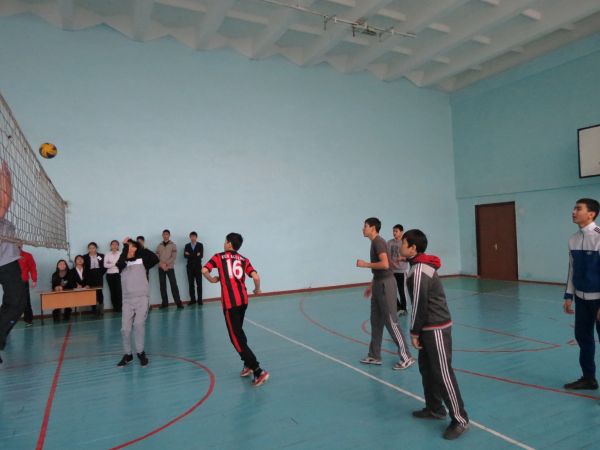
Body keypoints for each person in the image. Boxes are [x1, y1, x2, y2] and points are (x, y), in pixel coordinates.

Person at [400, 229, 469, 440]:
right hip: (427, 327)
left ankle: (460, 419)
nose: (400, 246)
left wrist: (414, 332)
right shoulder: (416, 266)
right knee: (427, 369)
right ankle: (435, 408)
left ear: (413, 248)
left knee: (442, 373)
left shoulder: (420, 270)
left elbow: (419, 305)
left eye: (403, 243)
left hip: (435, 327)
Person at [202, 233, 269, 387]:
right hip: (243, 301)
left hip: (230, 304)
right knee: (239, 332)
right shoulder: (244, 260)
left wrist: (212, 280)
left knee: (236, 339)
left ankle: (258, 370)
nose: (224, 243)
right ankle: (247, 364)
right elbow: (256, 277)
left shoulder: (219, 257)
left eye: (225, 241)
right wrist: (257, 290)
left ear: (229, 244)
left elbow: (204, 270)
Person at [356, 217, 414, 370]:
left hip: (386, 285)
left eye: (365, 226)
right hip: (378, 283)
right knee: (376, 321)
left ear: (372, 228)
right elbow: (381, 269)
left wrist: (364, 264)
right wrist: (371, 286)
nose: (363, 229)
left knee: (391, 321)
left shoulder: (379, 242)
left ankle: (407, 357)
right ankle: (374, 355)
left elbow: (385, 264)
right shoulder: (375, 242)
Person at [563, 198, 600, 390]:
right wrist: (569, 295)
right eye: (574, 208)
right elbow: (572, 269)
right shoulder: (573, 239)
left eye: (578, 208)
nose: (573, 212)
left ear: (591, 214)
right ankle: (588, 378)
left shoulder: (599, 237)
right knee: (583, 338)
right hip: (581, 300)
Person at [115, 238, 157, 368]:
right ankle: (128, 355)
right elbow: (120, 263)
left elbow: (155, 258)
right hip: (127, 300)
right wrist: (125, 247)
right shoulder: (122, 263)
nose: (131, 248)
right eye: (129, 246)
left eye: (134, 246)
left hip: (142, 298)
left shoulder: (142, 260)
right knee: (125, 329)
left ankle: (140, 352)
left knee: (138, 325)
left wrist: (141, 247)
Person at [0, 160, 26, 362]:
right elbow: (5, 199)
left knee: (13, 304)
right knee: (16, 304)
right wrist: (5, 173)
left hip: (7, 262)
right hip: (4, 264)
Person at [156, 229, 183, 309]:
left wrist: (166, 264)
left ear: (169, 235)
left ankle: (178, 303)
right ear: (162, 235)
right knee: (162, 285)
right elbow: (156, 257)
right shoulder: (159, 245)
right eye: (164, 234)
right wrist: (161, 264)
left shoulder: (173, 245)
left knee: (173, 284)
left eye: (167, 234)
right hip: (161, 267)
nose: (165, 236)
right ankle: (165, 303)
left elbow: (173, 257)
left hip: (169, 267)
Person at [387, 224, 409, 315]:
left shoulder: (405, 243)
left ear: (401, 232)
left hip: (402, 271)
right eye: (393, 231)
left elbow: (409, 257)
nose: (394, 233)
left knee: (401, 291)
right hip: (392, 271)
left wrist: (401, 258)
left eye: (396, 231)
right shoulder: (389, 243)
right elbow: (387, 256)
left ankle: (404, 309)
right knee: (390, 290)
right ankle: (398, 307)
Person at [17, 242, 37, 326]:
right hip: (11, 282)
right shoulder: (7, 256)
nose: (17, 245)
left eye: (19, 244)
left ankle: (28, 320)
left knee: (26, 301)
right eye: (15, 243)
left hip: (23, 282)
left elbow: (32, 268)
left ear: (22, 245)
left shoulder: (28, 255)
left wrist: (34, 279)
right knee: (10, 302)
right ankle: (7, 321)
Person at [84, 242, 106, 315]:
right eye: (90, 248)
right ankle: (94, 309)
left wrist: (101, 273)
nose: (92, 249)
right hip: (89, 276)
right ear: (88, 249)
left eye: (93, 248)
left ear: (96, 248)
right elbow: (84, 268)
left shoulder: (101, 256)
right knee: (92, 293)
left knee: (99, 292)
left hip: (99, 275)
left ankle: (101, 309)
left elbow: (105, 265)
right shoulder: (85, 257)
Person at [184, 231, 204, 305]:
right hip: (189, 268)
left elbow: (201, 256)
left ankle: (200, 300)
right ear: (190, 237)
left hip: (198, 267)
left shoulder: (200, 245)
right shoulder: (187, 245)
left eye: (194, 236)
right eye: (191, 236)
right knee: (191, 284)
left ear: (196, 237)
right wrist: (196, 254)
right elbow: (185, 256)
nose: (193, 238)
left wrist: (190, 254)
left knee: (199, 284)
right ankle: (193, 300)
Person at [104, 240, 123, 312]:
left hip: (118, 274)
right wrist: (115, 263)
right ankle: (115, 307)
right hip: (109, 275)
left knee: (119, 291)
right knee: (112, 291)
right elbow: (105, 265)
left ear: (118, 246)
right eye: (113, 244)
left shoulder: (121, 254)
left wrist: (110, 263)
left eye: (116, 244)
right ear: (110, 246)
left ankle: (120, 307)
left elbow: (121, 264)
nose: (114, 246)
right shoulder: (107, 254)